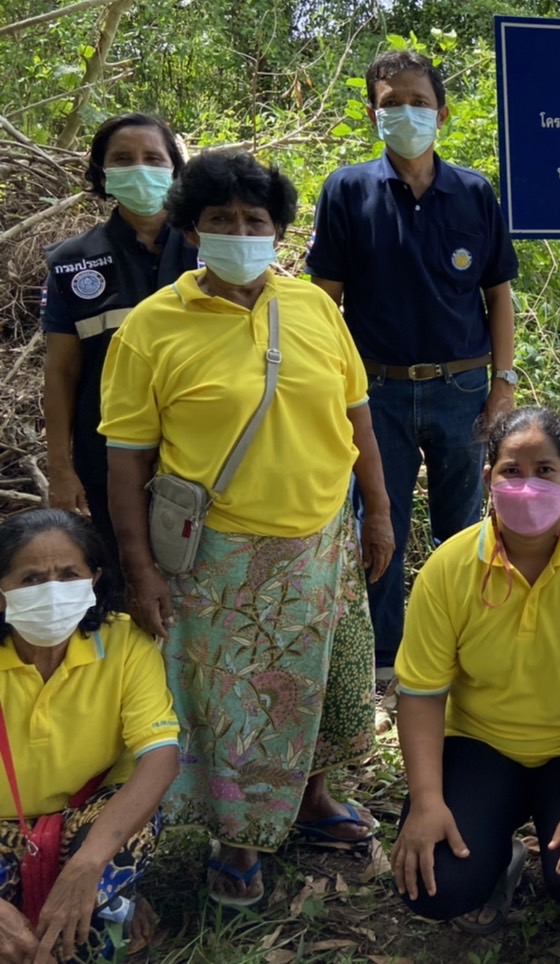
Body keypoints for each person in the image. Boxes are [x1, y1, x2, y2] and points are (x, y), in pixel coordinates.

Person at [100, 151, 394, 906]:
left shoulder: (314, 308)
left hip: (325, 540)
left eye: (254, 220)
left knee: (327, 686)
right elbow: (127, 461)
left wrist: (380, 512)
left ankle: (313, 802)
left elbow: (356, 413)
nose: (239, 232)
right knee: (242, 710)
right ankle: (239, 841)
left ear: (278, 230)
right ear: (192, 229)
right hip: (224, 558)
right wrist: (140, 568)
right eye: (221, 220)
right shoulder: (152, 327)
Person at [391, 407, 560, 933]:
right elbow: (421, 694)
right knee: (435, 886)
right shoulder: (448, 568)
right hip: (479, 743)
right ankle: (494, 857)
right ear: (488, 478)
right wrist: (426, 801)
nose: (527, 484)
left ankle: (544, 827)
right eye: (512, 470)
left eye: (545, 470)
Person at [307, 49, 519, 683]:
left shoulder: (475, 193)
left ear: (442, 113)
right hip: (376, 395)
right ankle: (385, 660)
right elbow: (325, 303)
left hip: (464, 389)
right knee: (382, 526)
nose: (405, 113)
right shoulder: (347, 190)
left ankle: (462, 649)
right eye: (390, 102)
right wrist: (329, 394)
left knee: (462, 531)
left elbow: (498, 294)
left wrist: (502, 386)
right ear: (372, 112)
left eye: (418, 102)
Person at [0, 509, 179, 962]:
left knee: (80, 936)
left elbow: (159, 756)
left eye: (68, 575)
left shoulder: (124, 645)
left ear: (94, 579)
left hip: (87, 818)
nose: (53, 591)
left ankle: (108, 901)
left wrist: (86, 865)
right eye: (32, 579)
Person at [42, 114, 192, 559]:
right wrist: (61, 468)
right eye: (123, 159)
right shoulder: (71, 263)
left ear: (174, 170)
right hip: (106, 453)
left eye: (153, 158)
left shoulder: (214, 249)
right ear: (102, 173)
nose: (140, 168)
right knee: (125, 572)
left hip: (201, 448)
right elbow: (62, 372)